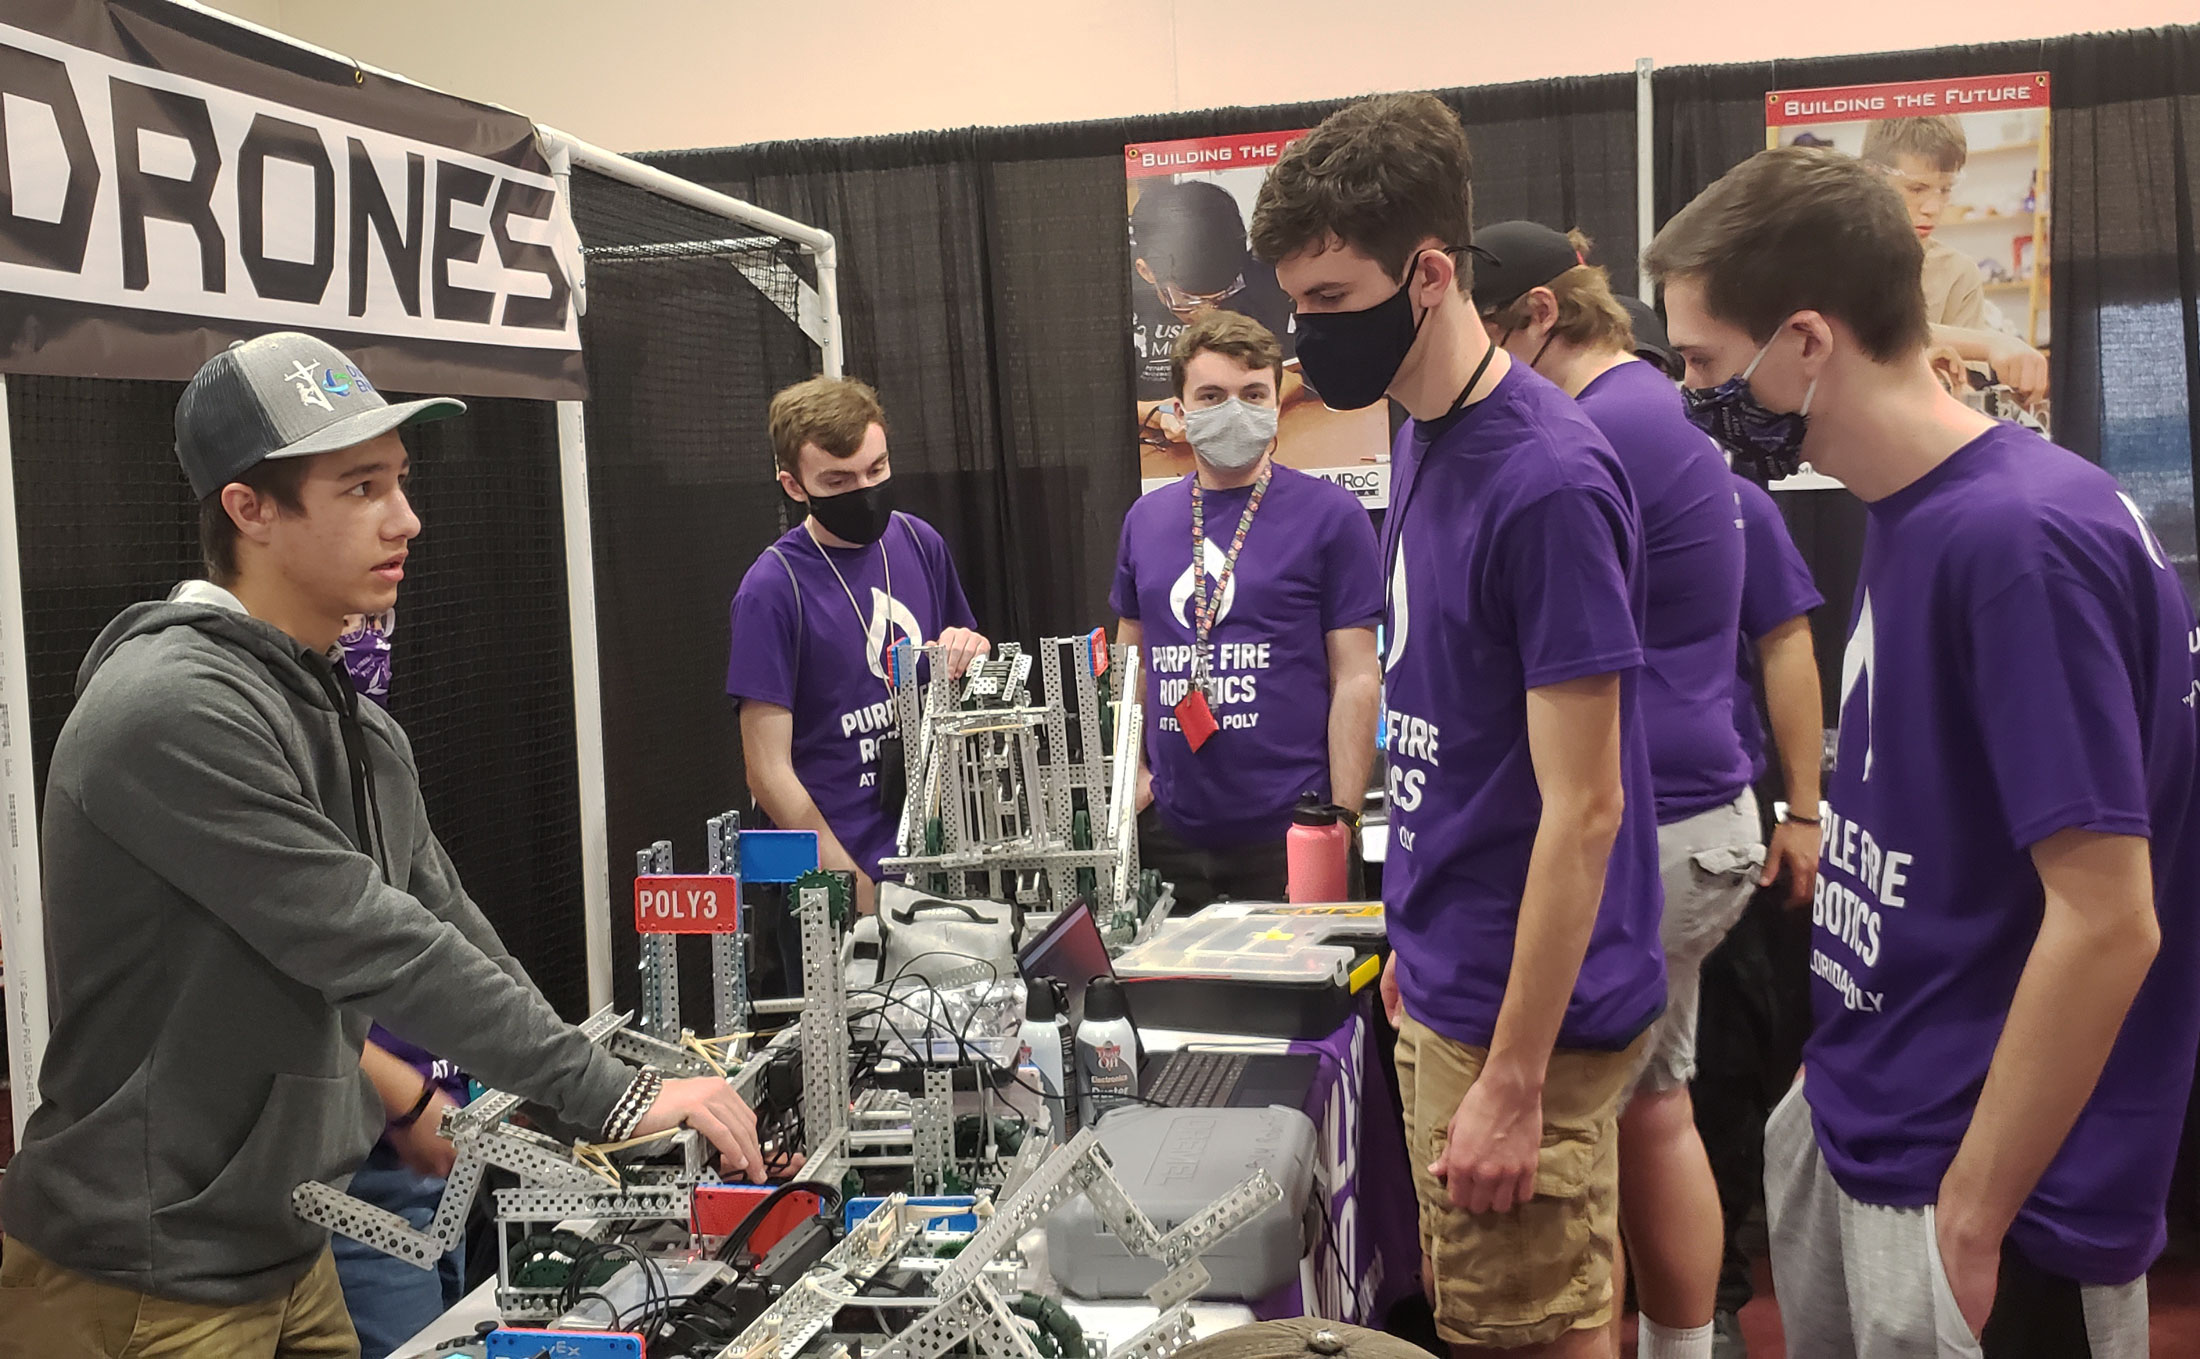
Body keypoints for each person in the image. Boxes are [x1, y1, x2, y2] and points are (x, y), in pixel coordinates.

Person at [0, 332, 764, 1355]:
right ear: (249, 508)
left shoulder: (351, 721)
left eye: (399, 482)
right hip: (144, 1277)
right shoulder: (170, 709)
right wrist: (611, 1094)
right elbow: (368, 938)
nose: (406, 518)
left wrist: (582, 1092)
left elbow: (443, 918)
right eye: (361, 487)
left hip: (285, 1246)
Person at [1649, 145, 2200, 1356]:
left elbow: (2110, 919)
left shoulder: (2017, 540)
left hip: (1985, 1187)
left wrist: (1974, 1213)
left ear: (1804, 339)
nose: (1690, 397)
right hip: (1873, 1115)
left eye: (1699, 360)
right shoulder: (1921, 507)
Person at [1254, 92, 1665, 1357]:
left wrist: (1514, 1078)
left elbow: (1586, 811)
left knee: (1533, 1330)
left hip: (1517, 1016)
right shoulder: (1421, 427)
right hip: (1451, 980)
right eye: (1295, 303)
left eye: (1330, 301)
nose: (1302, 336)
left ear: (1430, 275)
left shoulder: (1543, 480)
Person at [1471, 220, 1760, 1359]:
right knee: (1652, 1104)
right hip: (1700, 807)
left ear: (1540, 317)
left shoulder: (1579, 437)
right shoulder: (1654, 412)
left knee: (1570, 1131)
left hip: (1660, 816)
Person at [1111, 308, 1383, 909]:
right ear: (1180, 412)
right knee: (1174, 1005)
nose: (1234, 409)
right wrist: (1131, 780)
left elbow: (1358, 675)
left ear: (1273, 404)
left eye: (1252, 393)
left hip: (1294, 831)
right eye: (1212, 395)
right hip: (1170, 837)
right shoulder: (1146, 520)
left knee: (1306, 1001)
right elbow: (1132, 661)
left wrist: (1340, 818)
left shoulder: (1331, 516)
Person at [728, 376, 990, 919]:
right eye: (838, 479)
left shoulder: (919, 541)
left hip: (934, 864)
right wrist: (855, 887)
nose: (865, 491)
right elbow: (767, 771)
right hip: (837, 888)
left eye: (877, 470)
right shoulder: (772, 589)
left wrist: (972, 651)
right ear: (794, 485)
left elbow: (968, 669)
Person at [1692, 473, 1826, 1358]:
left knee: (1719, 1067)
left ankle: (1715, 1296)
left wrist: (1804, 810)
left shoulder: (1733, 500)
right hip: (1564, 820)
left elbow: (1785, 641)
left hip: (1719, 821)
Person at [324, 611, 471, 1359]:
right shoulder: (263, 759)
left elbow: (453, 939)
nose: (366, 635)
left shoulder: (377, 751)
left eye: (377, 620)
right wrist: (406, 1101)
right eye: (348, 618)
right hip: (368, 1155)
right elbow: (272, 997)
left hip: (440, 1127)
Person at [1859, 116, 2048, 406]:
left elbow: (1966, 388)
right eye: (1916, 189)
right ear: (1872, 176)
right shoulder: (1837, 258)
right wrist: (1991, 343)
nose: (1933, 208)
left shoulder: (1957, 274)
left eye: (1945, 190)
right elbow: (1867, 330)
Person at [1132, 179, 1303, 445]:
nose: (1210, 313)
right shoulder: (1117, 302)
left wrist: (1279, 388)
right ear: (1146, 271)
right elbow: (1090, 403)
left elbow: (1299, 371)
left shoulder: (1265, 281)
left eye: (1224, 295)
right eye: (1190, 300)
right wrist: (1157, 414)